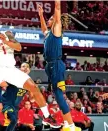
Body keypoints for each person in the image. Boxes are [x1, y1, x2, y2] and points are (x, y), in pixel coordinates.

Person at [37, 1, 80, 131]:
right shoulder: (49, 33)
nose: (49, 20)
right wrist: (40, 15)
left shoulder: (57, 30)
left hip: (56, 64)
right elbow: (43, 29)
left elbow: (57, 8)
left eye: (51, 18)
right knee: (56, 94)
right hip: (50, 65)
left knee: (59, 94)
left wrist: (57, 4)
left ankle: (71, 125)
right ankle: (67, 123)